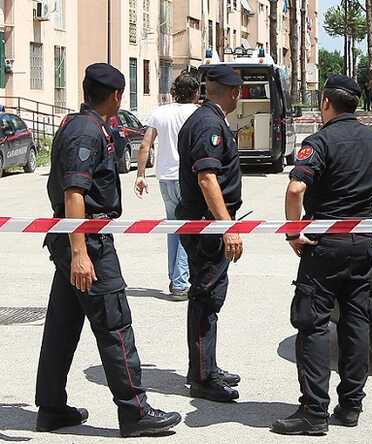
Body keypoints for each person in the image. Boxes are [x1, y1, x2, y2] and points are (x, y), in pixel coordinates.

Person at [37, 63, 181, 438]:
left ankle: (51, 407)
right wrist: (81, 252)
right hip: (87, 241)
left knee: (62, 326)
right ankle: (135, 411)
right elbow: (74, 194)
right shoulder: (86, 131)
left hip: (74, 239)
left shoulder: (80, 123)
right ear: (116, 95)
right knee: (115, 324)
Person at [271, 75, 372, 436]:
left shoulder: (319, 142)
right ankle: (351, 406)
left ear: (325, 104)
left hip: (325, 244)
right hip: (364, 242)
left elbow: (295, 188)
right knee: (356, 323)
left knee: (314, 323)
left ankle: (314, 411)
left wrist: (293, 232)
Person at [176, 64, 244, 402]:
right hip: (207, 225)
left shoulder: (205, 119)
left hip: (205, 222)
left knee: (211, 295)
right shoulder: (208, 124)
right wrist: (225, 226)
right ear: (234, 93)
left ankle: (206, 366)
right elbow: (207, 177)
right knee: (206, 296)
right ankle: (203, 378)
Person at [134, 73, 200, 299]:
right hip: (188, 178)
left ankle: (174, 278)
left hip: (165, 178)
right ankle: (181, 283)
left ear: (174, 92)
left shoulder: (160, 113)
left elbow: (145, 145)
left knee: (173, 227)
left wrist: (140, 175)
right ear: (195, 92)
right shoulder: (197, 113)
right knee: (187, 229)